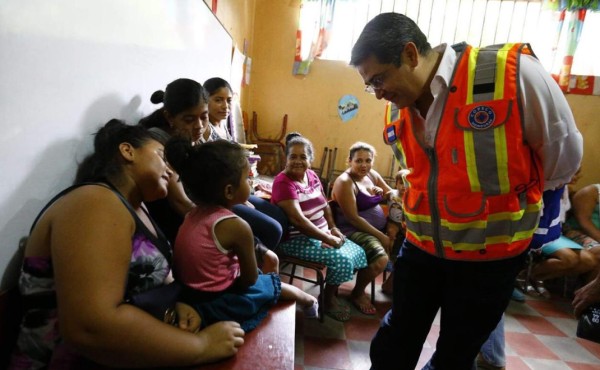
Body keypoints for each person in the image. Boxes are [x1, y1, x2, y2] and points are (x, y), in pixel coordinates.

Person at [350, 12, 583, 369]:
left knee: (456, 354)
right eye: (370, 85)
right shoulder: (396, 109)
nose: (378, 93)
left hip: (489, 261)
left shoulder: (511, 74)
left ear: (411, 54)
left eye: (379, 78)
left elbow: (562, 160)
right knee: (394, 341)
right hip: (422, 249)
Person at [9, 120, 244, 370]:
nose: (170, 171)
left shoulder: (133, 206)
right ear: (127, 151)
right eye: (162, 157)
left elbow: (134, 288)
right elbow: (91, 327)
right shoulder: (94, 202)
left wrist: (173, 306)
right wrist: (201, 346)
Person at [165, 138, 318, 331]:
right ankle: (308, 299)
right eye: (247, 178)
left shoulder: (192, 214)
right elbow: (249, 280)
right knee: (269, 282)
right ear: (229, 191)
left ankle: (306, 300)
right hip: (219, 299)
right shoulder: (237, 226)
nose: (251, 180)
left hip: (187, 293)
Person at [141, 78, 281, 273]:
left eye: (204, 117)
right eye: (189, 120)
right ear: (169, 117)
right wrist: (231, 223)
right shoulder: (161, 146)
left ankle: (248, 268)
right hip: (194, 214)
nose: (199, 126)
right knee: (270, 230)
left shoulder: (190, 137)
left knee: (276, 215)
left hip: (211, 199)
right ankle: (242, 272)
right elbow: (184, 205)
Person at [271, 133, 369, 322]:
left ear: (310, 159)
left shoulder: (312, 175)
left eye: (303, 157)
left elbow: (325, 205)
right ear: (286, 158)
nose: (298, 161)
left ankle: (330, 290)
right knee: (343, 261)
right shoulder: (283, 182)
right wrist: (327, 239)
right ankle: (327, 299)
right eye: (293, 156)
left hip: (322, 233)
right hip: (297, 239)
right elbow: (298, 220)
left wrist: (333, 228)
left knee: (358, 253)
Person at [203, 77, 289, 254]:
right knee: (272, 229)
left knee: (280, 215)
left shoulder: (223, 127)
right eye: (218, 100)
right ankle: (253, 265)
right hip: (222, 195)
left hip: (238, 190)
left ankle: (265, 257)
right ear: (205, 101)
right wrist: (241, 199)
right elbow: (216, 175)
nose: (225, 106)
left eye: (228, 100)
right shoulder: (205, 129)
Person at [330, 141, 390, 315]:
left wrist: (396, 192)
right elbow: (353, 219)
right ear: (349, 161)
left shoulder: (371, 175)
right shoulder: (345, 182)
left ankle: (391, 286)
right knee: (380, 258)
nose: (364, 165)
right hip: (353, 231)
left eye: (368, 160)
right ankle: (357, 293)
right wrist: (381, 236)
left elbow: (389, 193)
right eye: (359, 161)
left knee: (407, 244)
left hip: (375, 229)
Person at [381, 169, 410, 295]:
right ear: (396, 184)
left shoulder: (411, 196)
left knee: (407, 237)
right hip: (393, 221)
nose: (404, 186)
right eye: (401, 183)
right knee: (391, 234)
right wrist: (378, 191)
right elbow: (380, 195)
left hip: (405, 224)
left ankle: (397, 256)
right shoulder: (391, 194)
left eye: (407, 183)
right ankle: (388, 256)